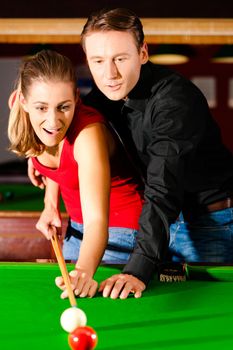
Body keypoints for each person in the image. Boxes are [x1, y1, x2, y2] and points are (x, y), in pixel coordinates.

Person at [28, 8, 233, 300]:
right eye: (98, 61)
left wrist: (138, 269)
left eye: (120, 59)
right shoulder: (99, 99)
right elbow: (62, 137)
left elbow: (163, 188)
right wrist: (48, 190)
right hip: (148, 224)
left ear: (143, 53)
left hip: (208, 225)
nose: (109, 73)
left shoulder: (175, 101)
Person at [8, 49, 144, 298]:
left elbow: (97, 221)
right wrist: (50, 205)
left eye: (64, 107)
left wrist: (83, 269)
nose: (53, 120)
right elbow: (57, 161)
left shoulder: (88, 135)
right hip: (76, 229)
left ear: (77, 98)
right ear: (22, 101)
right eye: (41, 108)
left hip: (122, 233)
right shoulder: (24, 118)